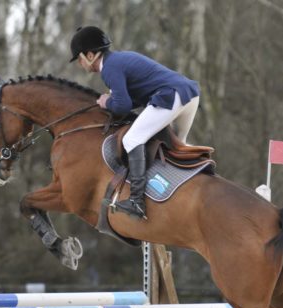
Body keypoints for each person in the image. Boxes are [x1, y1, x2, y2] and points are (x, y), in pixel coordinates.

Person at [70, 26, 200, 220]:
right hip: (188, 95)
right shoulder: (118, 60)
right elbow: (134, 100)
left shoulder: (110, 68)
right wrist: (114, 101)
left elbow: (123, 106)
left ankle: (137, 202)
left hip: (170, 95)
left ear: (90, 55)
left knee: (131, 139)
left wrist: (107, 102)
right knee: (178, 147)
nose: (80, 64)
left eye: (79, 59)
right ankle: (200, 179)